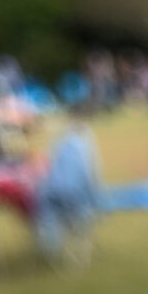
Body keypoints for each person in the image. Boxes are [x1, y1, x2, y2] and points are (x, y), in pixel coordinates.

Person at [32, 112, 102, 267]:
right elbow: (91, 175)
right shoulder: (85, 147)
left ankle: (50, 246)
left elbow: (47, 170)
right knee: (79, 218)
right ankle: (71, 247)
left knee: (49, 216)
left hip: (53, 192)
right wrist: (94, 200)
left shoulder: (60, 144)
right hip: (74, 196)